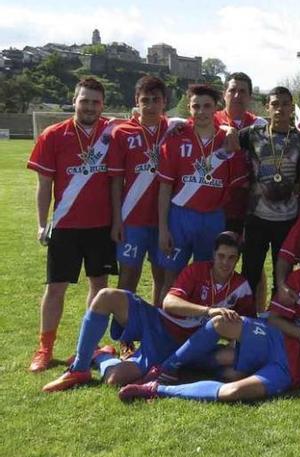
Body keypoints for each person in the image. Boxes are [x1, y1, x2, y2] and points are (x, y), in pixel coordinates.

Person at [118, 271, 300, 403]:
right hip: (280, 342)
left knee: (231, 389)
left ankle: (155, 389)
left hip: (289, 374)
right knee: (222, 322)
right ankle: (165, 368)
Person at [42, 232, 254, 392]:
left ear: (238, 260)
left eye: (231, 258)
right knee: (106, 296)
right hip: (160, 326)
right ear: (213, 255)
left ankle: (102, 356)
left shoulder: (241, 286)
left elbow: (247, 325)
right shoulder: (197, 270)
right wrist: (209, 311)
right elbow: (169, 302)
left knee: (114, 379)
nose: (225, 262)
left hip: (195, 345)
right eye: (221, 256)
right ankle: (79, 368)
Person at [27, 77, 119, 372]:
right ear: (74, 100)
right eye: (84, 101)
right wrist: (42, 224)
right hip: (65, 225)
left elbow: (156, 121)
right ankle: (45, 348)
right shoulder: (53, 135)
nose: (90, 107)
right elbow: (43, 186)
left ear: (102, 104)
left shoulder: (113, 132)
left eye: (95, 102)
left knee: (99, 287)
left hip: (101, 226)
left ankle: (88, 346)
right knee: (56, 288)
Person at [157, 85, 248, 300]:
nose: (201, 111)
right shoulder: (176, 138)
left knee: (206, 281)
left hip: (213, 218)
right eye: (195, 106)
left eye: (207, 106)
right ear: (189, 108)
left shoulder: (227, 141)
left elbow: (238, 188)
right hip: (180, 216)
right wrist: (163, 228)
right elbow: (165, 187)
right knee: (171, 278)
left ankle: (197, 329)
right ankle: (163, 330)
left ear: (216, 108)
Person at [233, 86, 300, 307]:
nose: (280, 109)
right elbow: (224, 139)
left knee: (284, 277)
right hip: (256, 218)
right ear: (267, 107)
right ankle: (244, 320)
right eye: (275, 104)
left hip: (287, 220)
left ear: (291, 107)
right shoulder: (252, 134)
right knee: (250, 271)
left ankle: (279, 320)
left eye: (285, 104)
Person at [107, 76, 184, 307]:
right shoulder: (121, 133)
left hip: (166, 220)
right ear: (136, 101)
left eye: (156, 100)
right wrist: (117, 221)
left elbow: (205, 122)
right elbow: (116, 181)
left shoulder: (175, 130)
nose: (150, 106)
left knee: (162, 277)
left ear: (164, 102)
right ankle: (124, 335)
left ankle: (155, 331)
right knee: (129, 276)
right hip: (133, 220)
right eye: (145, 100)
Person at [214, 72, 268, 234]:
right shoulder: (210, 119)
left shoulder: (260, 124)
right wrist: (224, 129)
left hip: (248, 205)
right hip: (215, 204)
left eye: (243, 91)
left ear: (250, 97)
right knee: (214, 256)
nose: (237, 95)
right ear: (224, 94)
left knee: (240, 255)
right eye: (232, 90)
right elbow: (183, 125)